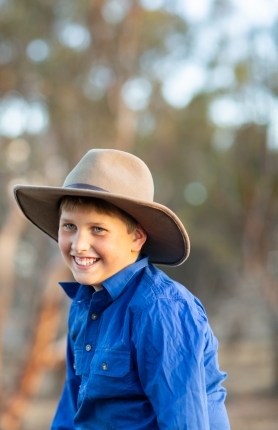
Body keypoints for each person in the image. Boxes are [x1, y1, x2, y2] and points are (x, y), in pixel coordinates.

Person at [14, 148, 230, 430]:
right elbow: (73, 409)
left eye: (98, 229)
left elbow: (184, 422)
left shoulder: (161, 310)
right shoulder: (83, 303)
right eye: (69, 226)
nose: (78, 245)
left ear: (137, 237)